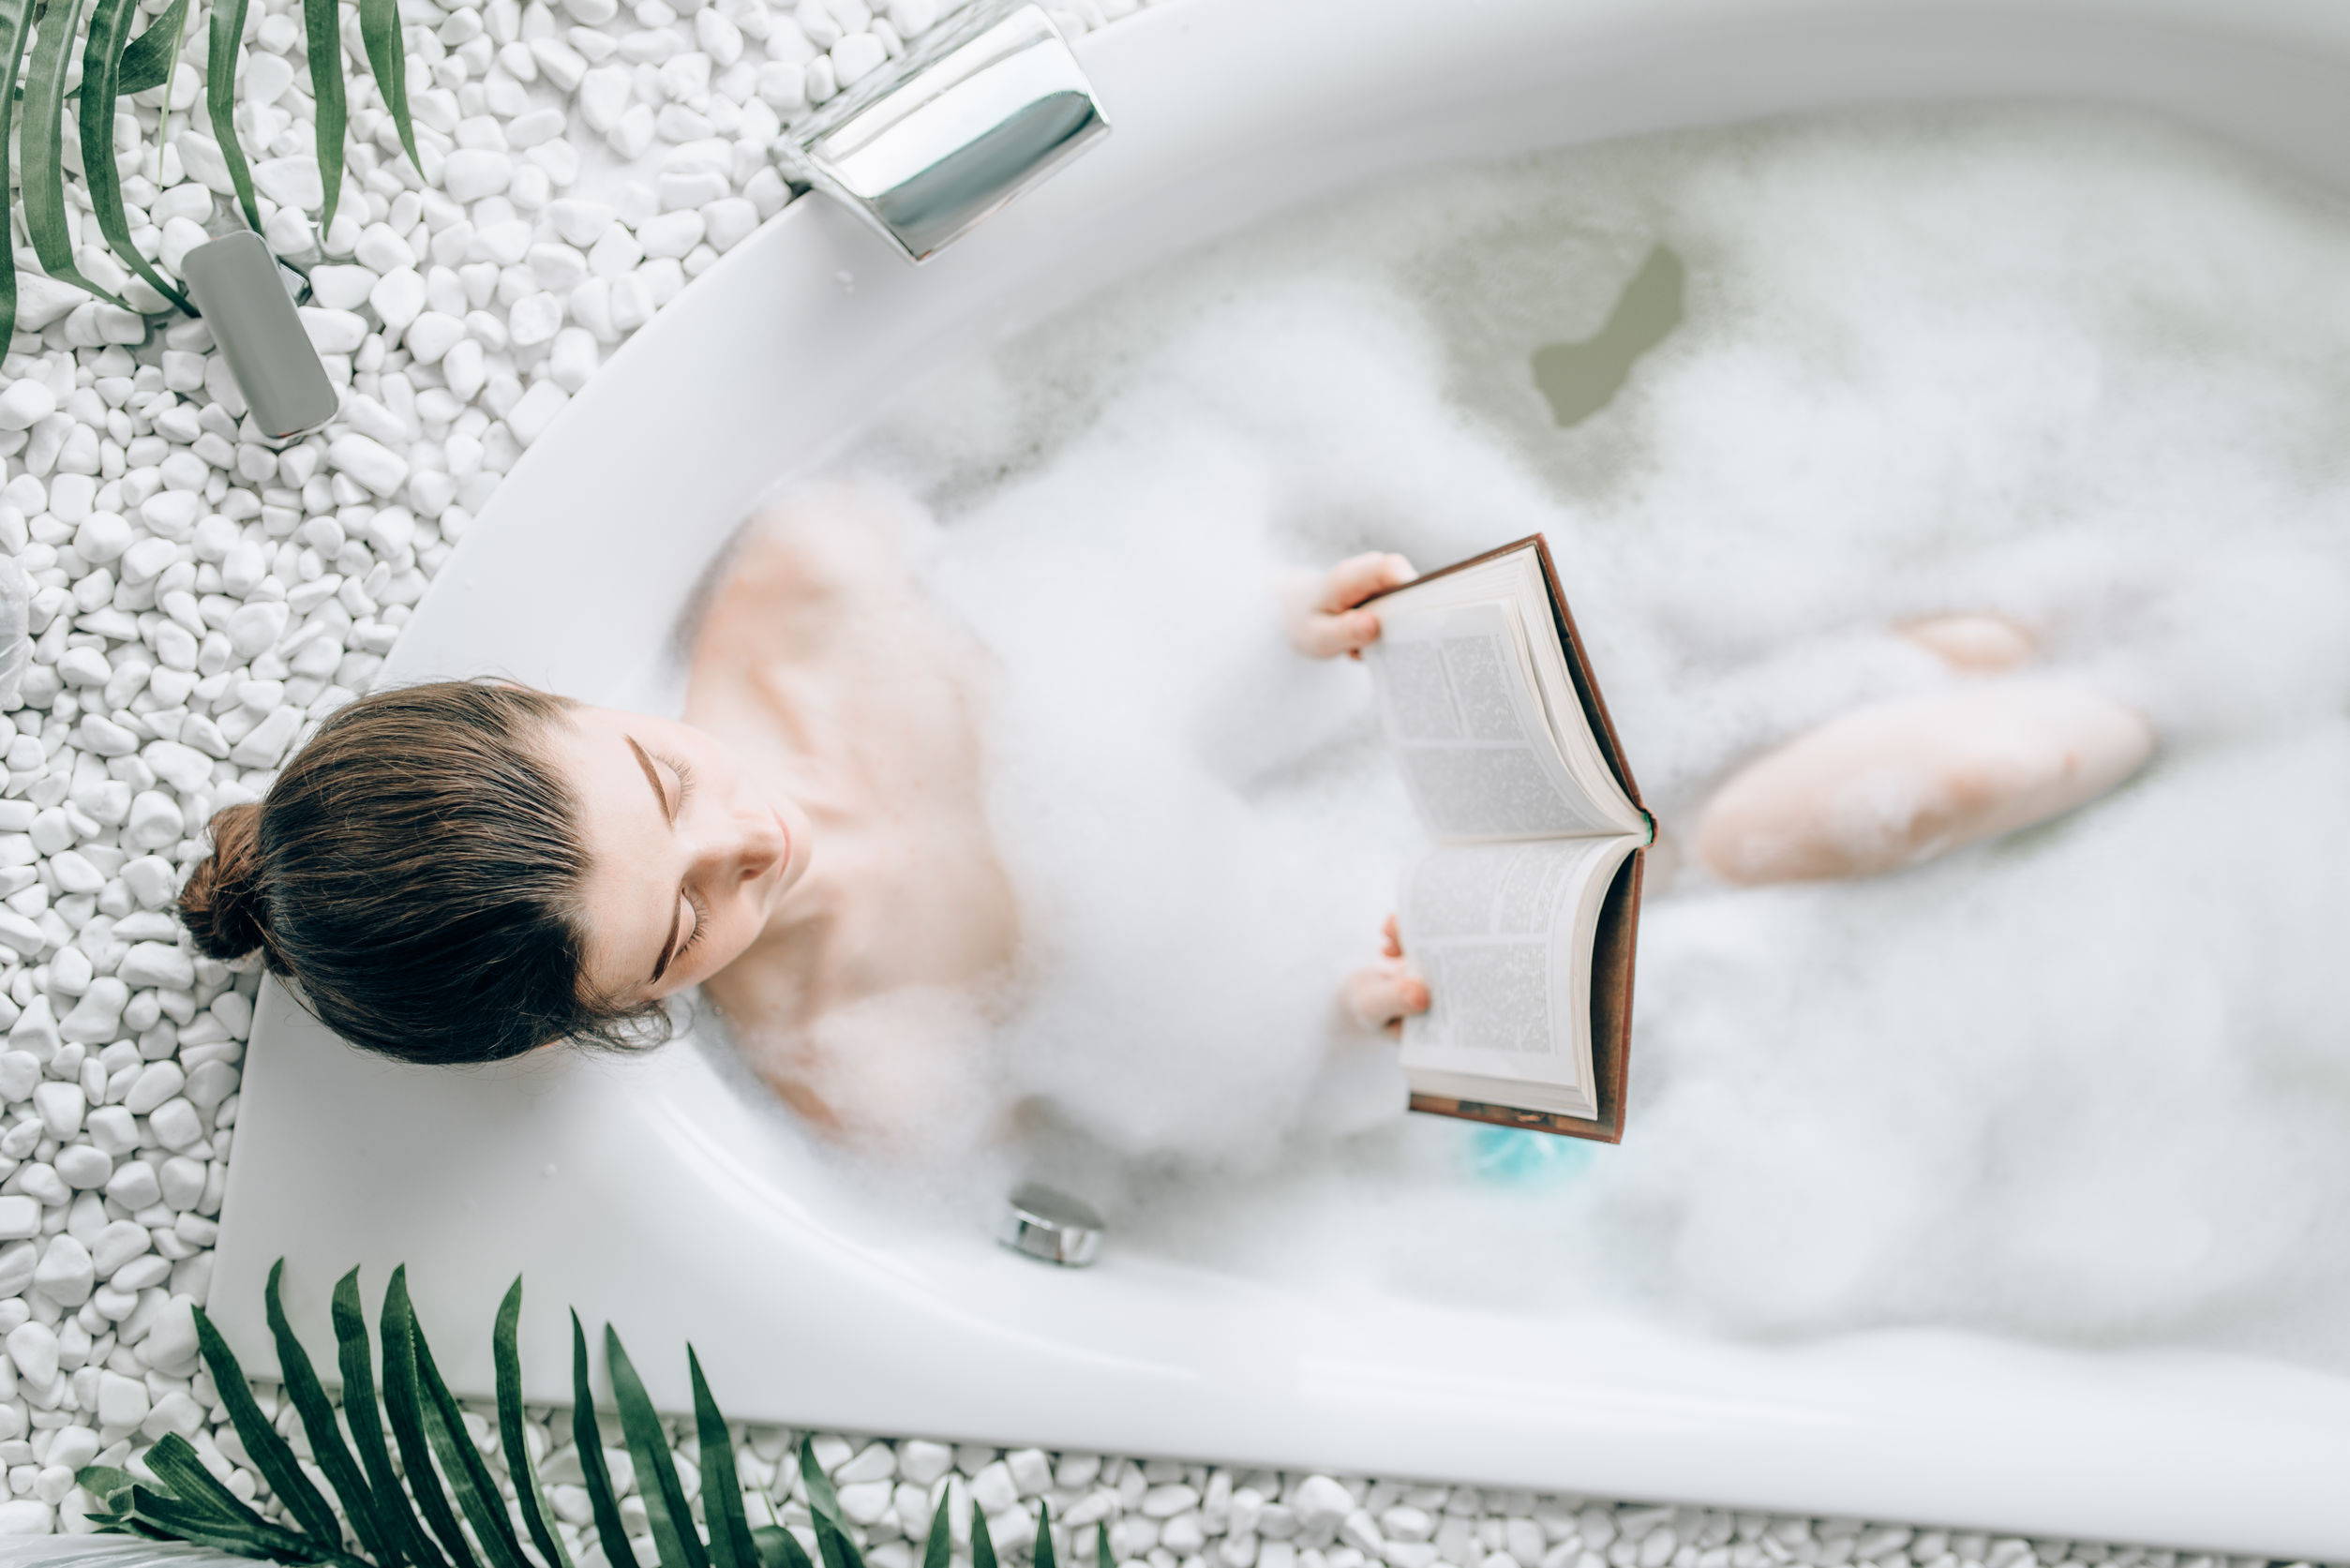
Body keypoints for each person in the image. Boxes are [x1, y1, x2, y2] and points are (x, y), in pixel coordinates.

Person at [176, 485, 2150, 1131]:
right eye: (683, 925)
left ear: (565, 701)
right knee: (1913, 792)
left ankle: (1972, 656)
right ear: (628, 1010)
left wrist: (1266, 629)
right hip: (1383, 920)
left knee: (1908, 659)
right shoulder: (841, 1050)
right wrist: (1340, 1033)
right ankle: (2103, 730)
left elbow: (1078, 589)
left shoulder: (806, 577)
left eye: (671, 791)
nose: (750, 853)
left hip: (1364, 736)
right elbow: (1176, 1097)